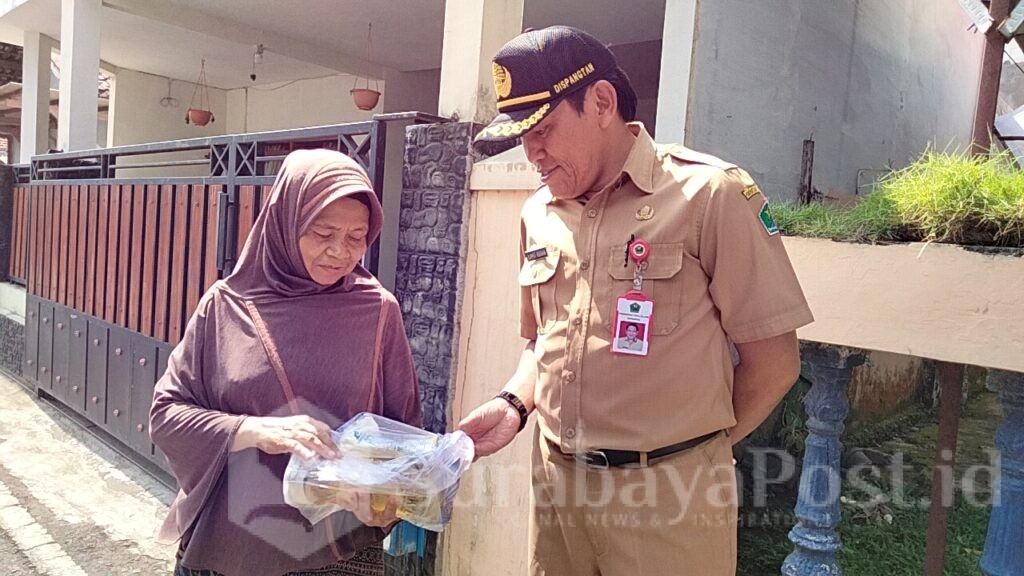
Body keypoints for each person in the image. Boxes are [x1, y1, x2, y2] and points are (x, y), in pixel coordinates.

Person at [459, 26, 814, 575]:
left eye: (545, 129)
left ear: (600, 102)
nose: (531, 151)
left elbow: (774, 364)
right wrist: (513, 403)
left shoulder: (708, 195)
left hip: (668, 502)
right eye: (523, 135)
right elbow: (542, 338)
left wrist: (688, 456)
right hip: (557, 489)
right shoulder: (539, 213)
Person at [150, 149, 422, 576]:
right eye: (323, 232)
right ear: (285, 222)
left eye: (357, 236)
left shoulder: (378, 312)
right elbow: (166, 416)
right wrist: (254, 429)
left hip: (341, 554)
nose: (340, 251)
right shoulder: (227, 306)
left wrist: (384, 500)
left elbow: (404, 440)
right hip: (231, 548)